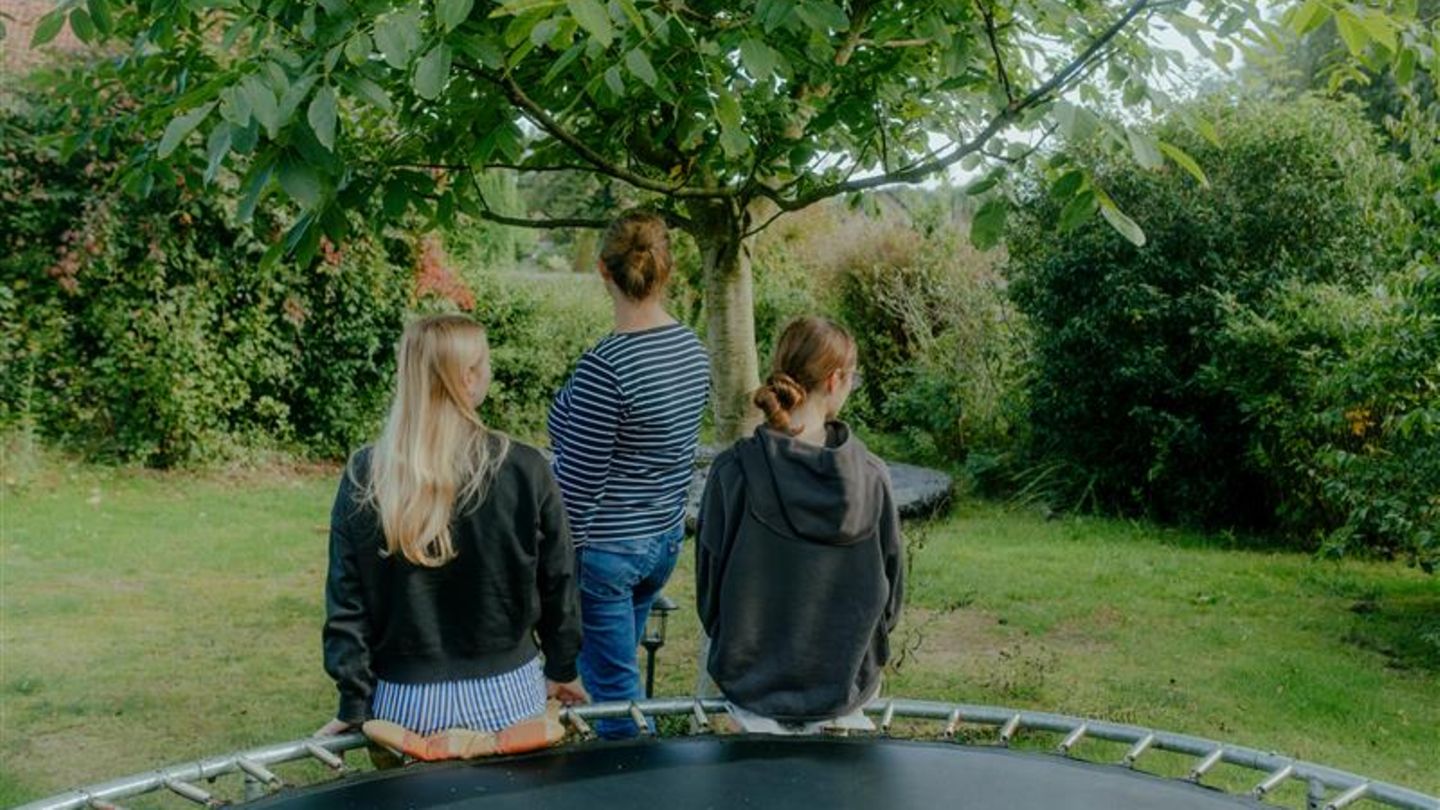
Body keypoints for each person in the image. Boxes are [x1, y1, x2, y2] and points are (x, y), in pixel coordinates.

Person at [318, 314, 585, 748]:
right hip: (508, 691)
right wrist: (562, 667)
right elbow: (559, 582)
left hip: (404, 703)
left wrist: (354, 703)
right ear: (468, 377)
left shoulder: (367, 475)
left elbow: (347, 605)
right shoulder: (524, 468)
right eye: (486, 363)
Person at [695, 316, 904, 733]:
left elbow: (709, 591)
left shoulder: (732, 471)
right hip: (846, 687)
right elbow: (892, 596)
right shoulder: (872, 476)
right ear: (834, 380)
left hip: (750, 689)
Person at [547, 211, 710, 738]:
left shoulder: (606, 366)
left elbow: (578, 486)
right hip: (661, 542)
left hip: (608, 556)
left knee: (613, 701)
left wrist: (553, 566)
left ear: (603, 270)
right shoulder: (692, 350)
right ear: (668, 270)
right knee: (621, 682)